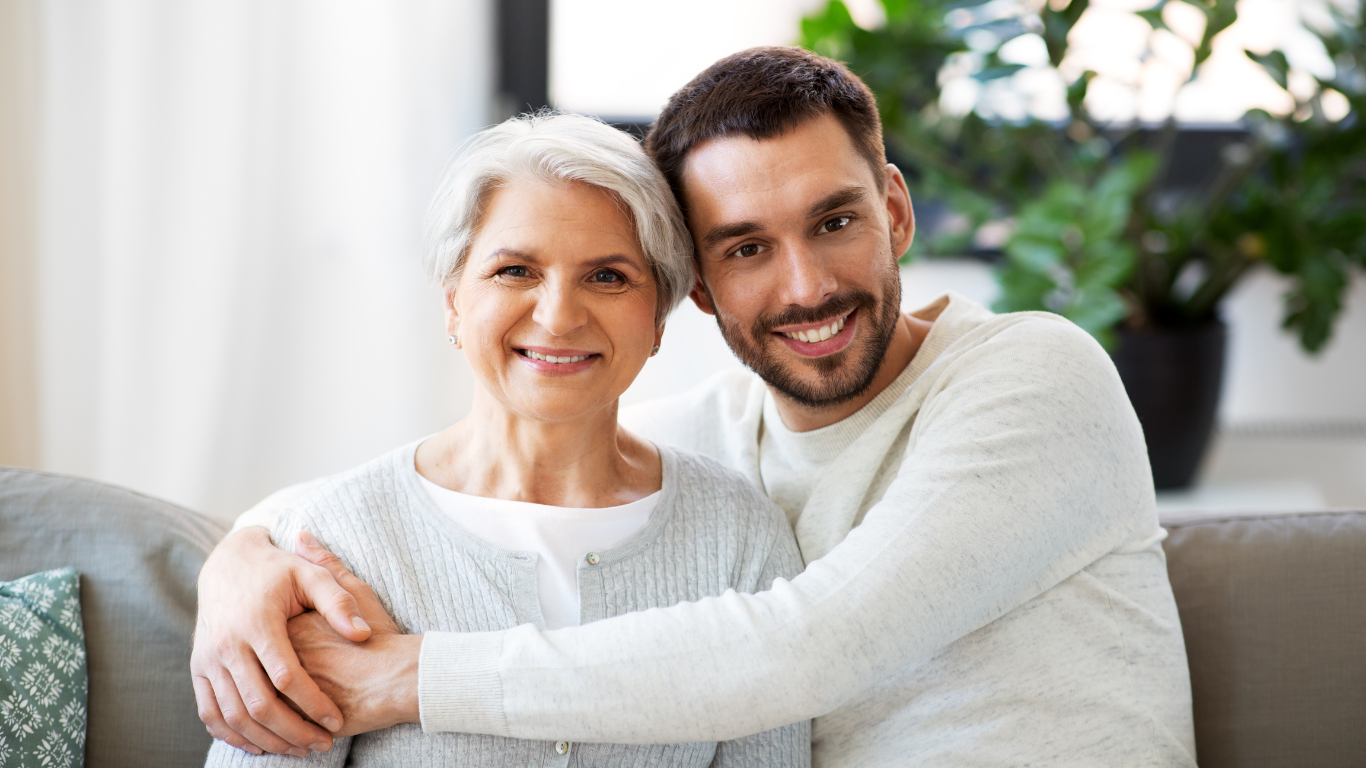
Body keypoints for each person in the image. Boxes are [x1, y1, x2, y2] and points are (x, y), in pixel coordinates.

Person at [195, 47, 1197, 767]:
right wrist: (243, 560)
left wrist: (411, 679)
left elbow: (816, 643)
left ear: (894, 212)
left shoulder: (1032, 376)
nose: (804, 287)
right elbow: (462, 484)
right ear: (700, 290)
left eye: (834, 221)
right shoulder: (710, 447)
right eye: (747, 247)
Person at [200, 111, 810, 766]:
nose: (558, 315)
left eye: (607, 276)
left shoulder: (739, 540)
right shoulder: (329, 550)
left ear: (659, 318)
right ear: (454, 303)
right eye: (515, 270)